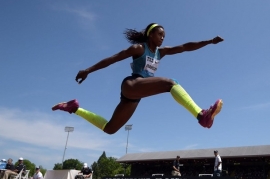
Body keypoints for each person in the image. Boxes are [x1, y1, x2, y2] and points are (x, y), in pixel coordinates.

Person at [52, 23, 224, 135]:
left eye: (164, 35)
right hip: (131, 85)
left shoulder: (161, 52)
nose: (163, 38)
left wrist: (209, 41)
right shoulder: (138, 49)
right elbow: (113, 58)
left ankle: (74, 108)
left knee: (110, 129)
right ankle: (201, 115)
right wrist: (88, 70)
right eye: (159, 34)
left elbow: (185, 47)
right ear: (150, 35)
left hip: (135, 96)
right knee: (170, 83)